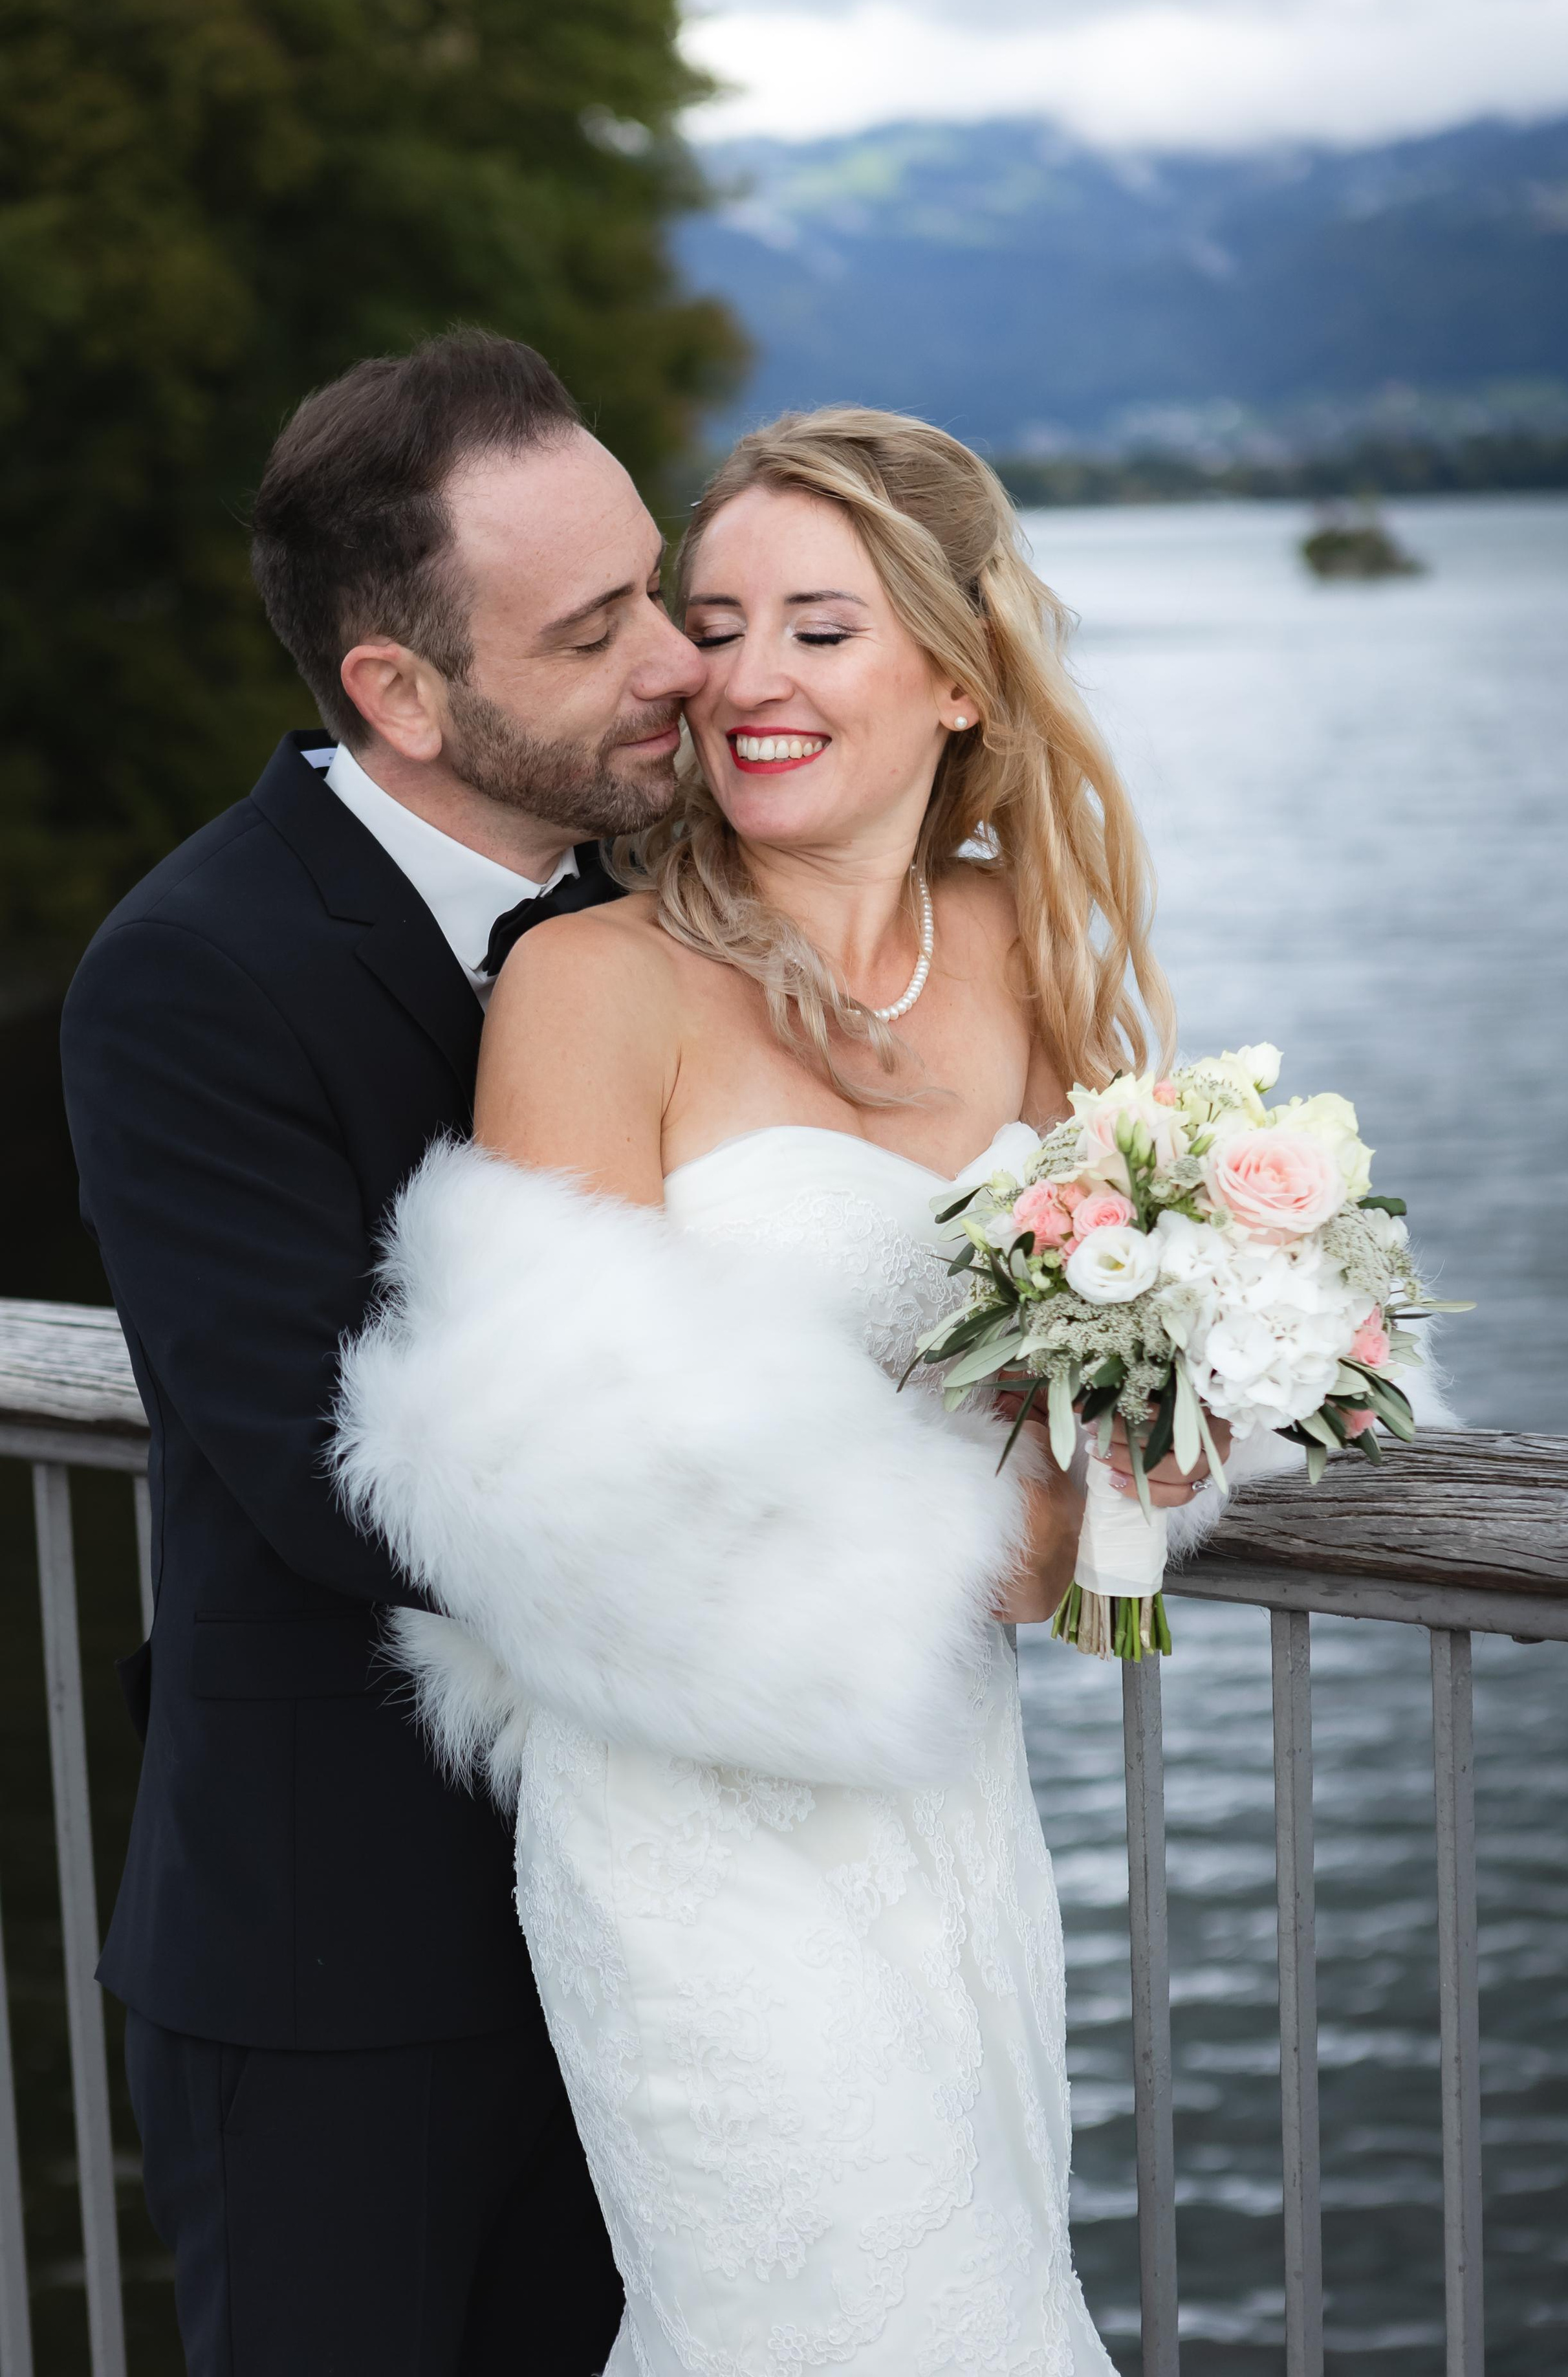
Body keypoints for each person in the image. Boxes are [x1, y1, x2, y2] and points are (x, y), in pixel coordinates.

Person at [334, 406, 1222, 2372]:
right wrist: (997, 1550)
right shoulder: (595, 982)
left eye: (819, 628)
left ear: (959, 673)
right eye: (714, 621)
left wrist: (1203, 1394)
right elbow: (554, 1496)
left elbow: (1111, 1378)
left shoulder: (1038, 950)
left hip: (950, 1803)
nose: (740, 678)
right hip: (684, 1825)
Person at [58, 327, 707, 2375]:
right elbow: (341, 1472)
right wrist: (829, 1548)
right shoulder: (191, 973)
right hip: (341, 1961)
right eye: (597, 629)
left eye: (661, 585)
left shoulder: (694, 897)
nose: (684, 662)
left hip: (671, 1932)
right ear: (401, 695)